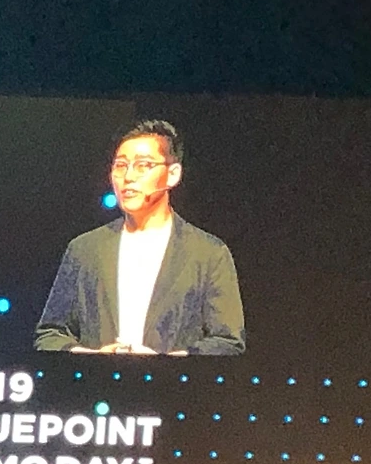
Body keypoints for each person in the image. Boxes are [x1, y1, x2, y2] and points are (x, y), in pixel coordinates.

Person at [34, 119, 245, 355]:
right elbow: (49, 335)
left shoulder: (208, 253)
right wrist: (95, 356)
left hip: (173, 379)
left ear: (172, 174)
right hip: (98, 377)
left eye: (143, 165)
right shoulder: (85, 249)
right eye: (120, 166)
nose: (128, 177)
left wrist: (166, 363)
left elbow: (228, 341)